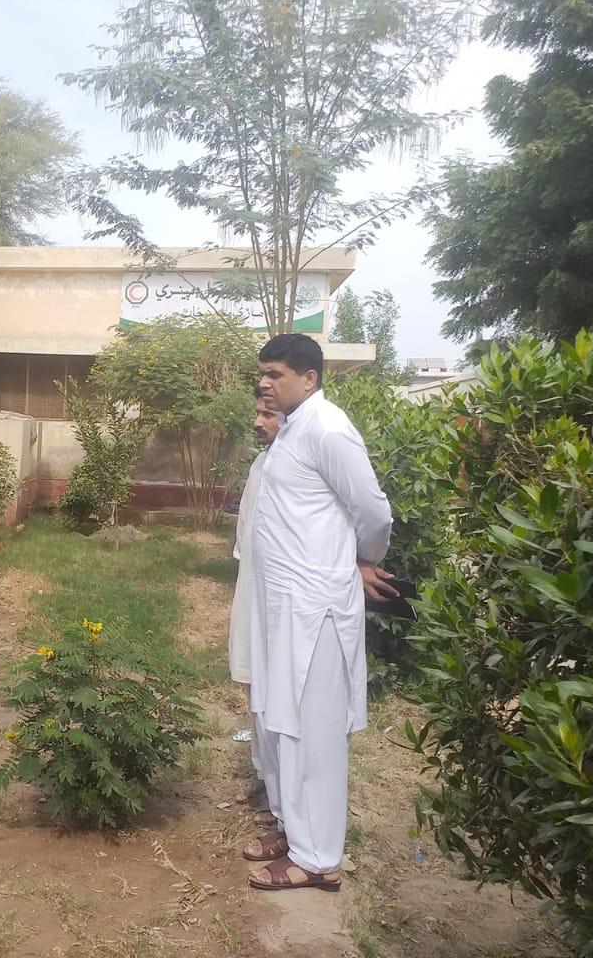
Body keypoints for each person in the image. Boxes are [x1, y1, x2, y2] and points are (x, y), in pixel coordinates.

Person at [243, 333, 396, 891]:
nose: (265, 382)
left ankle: (318, 858)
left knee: (316, 734)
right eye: (262, 373)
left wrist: (362, 559)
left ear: (309, 378)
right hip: (283, 606)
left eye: (277, 373)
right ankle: (292, 827)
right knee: (281, 720)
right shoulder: (291, 431)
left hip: (317, 608)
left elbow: (374, 510)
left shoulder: (329, 428)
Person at [228, 388, 281, 807]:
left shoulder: (298, 469)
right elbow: (245, 540)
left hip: (285, 606)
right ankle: (265, 777)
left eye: (268, 414)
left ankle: (284, 792)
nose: (257, 422)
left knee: (280, 694)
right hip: (253, 593)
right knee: (255, 690)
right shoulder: (261, 466)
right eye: (257, 413)